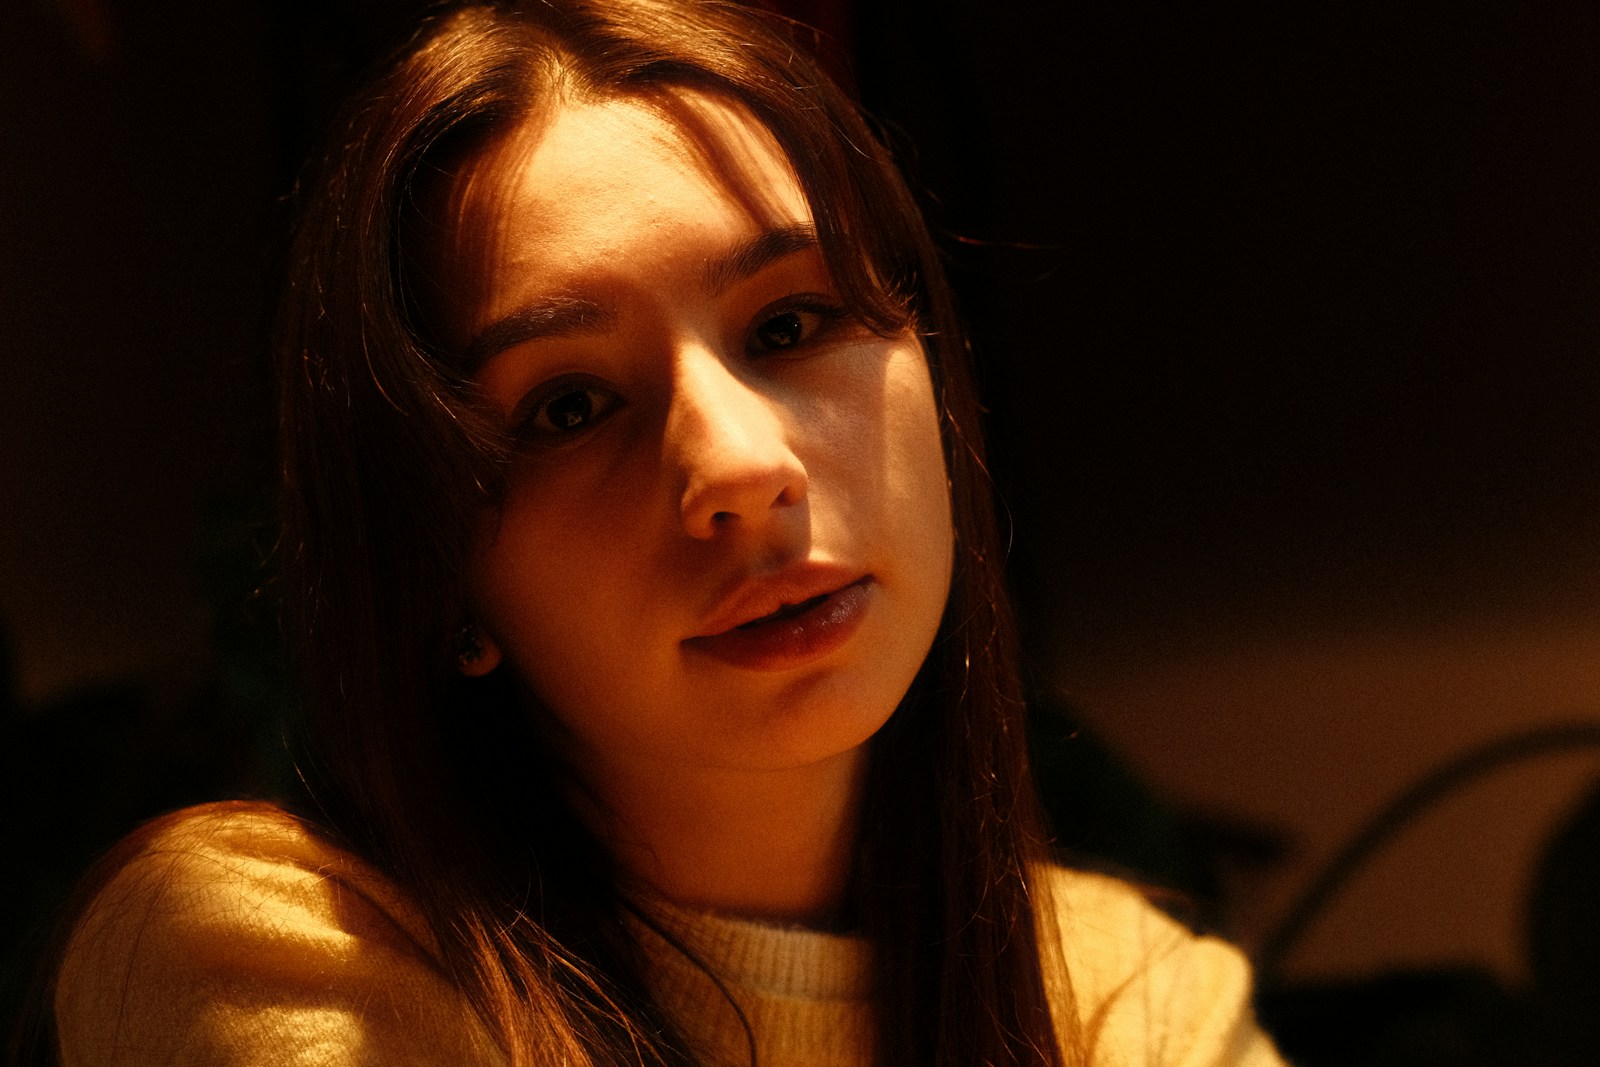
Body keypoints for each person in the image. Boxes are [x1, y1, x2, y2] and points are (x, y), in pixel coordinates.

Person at [46, 1, 1287, 1064]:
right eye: (569, 407)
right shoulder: (275, 954)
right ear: (440, 571)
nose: (738, 467)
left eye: (790, 325)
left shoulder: (1130, 1000)